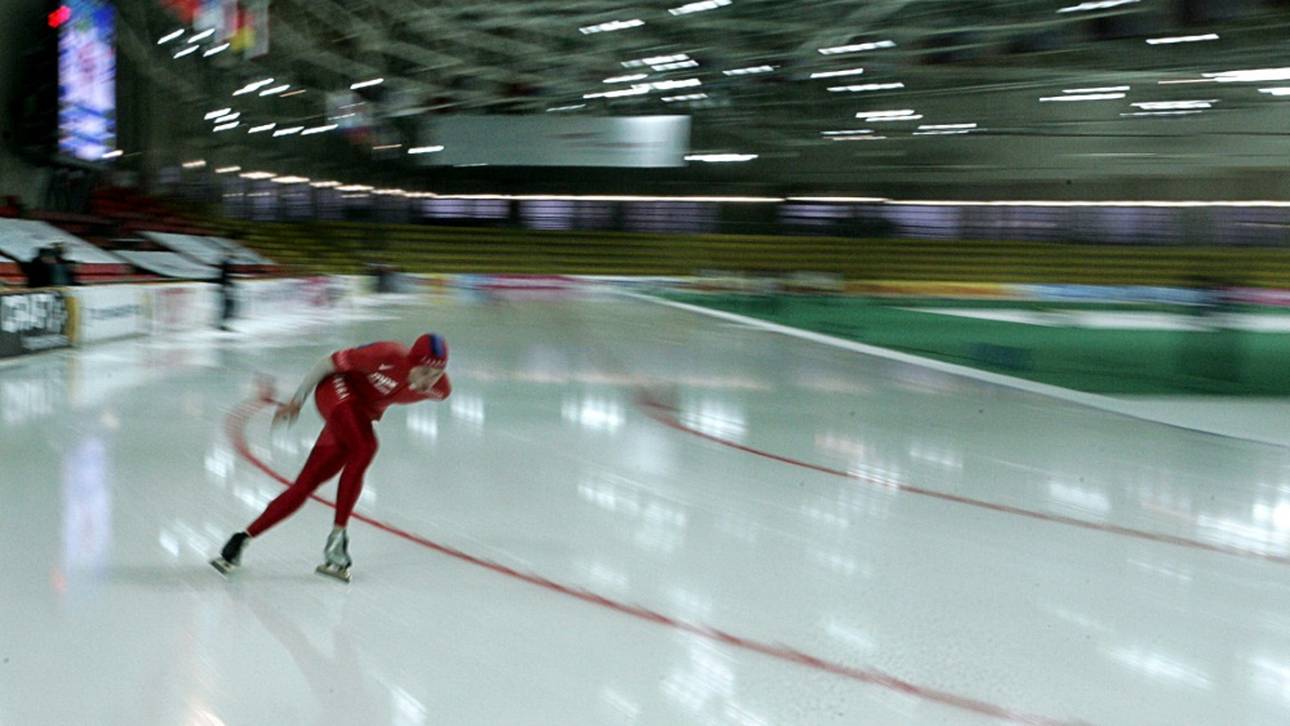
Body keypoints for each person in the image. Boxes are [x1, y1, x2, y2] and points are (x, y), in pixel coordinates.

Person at [212, 333, 452, 582]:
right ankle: (337, 540)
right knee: (366, 446)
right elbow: (326, 364)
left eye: (435, 375)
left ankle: (239, 541)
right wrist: (297, 402)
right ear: (411, 362)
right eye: (424, 372)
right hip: (335, 391)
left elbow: (393, 394)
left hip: (359, 414)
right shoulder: (386, 355)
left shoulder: (440, 390)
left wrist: (368, 409)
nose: (429, 381)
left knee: (306, 485)